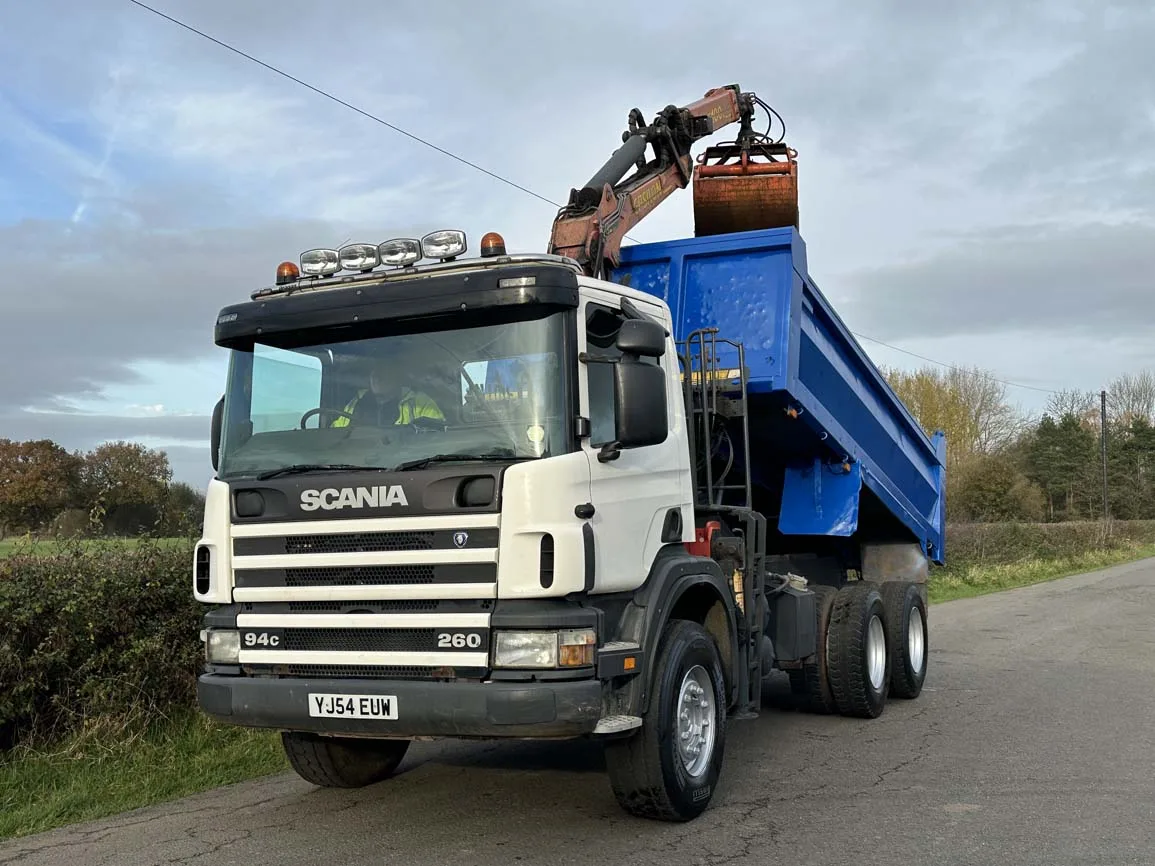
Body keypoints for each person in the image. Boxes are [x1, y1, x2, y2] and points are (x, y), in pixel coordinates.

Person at [330, 357, 445, 427]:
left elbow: (438, 436)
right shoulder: (356, 403)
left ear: (397, 375)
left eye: (383, 370)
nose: (376, 376)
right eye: (373, 370)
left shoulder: (420, 403)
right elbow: (336, 435)